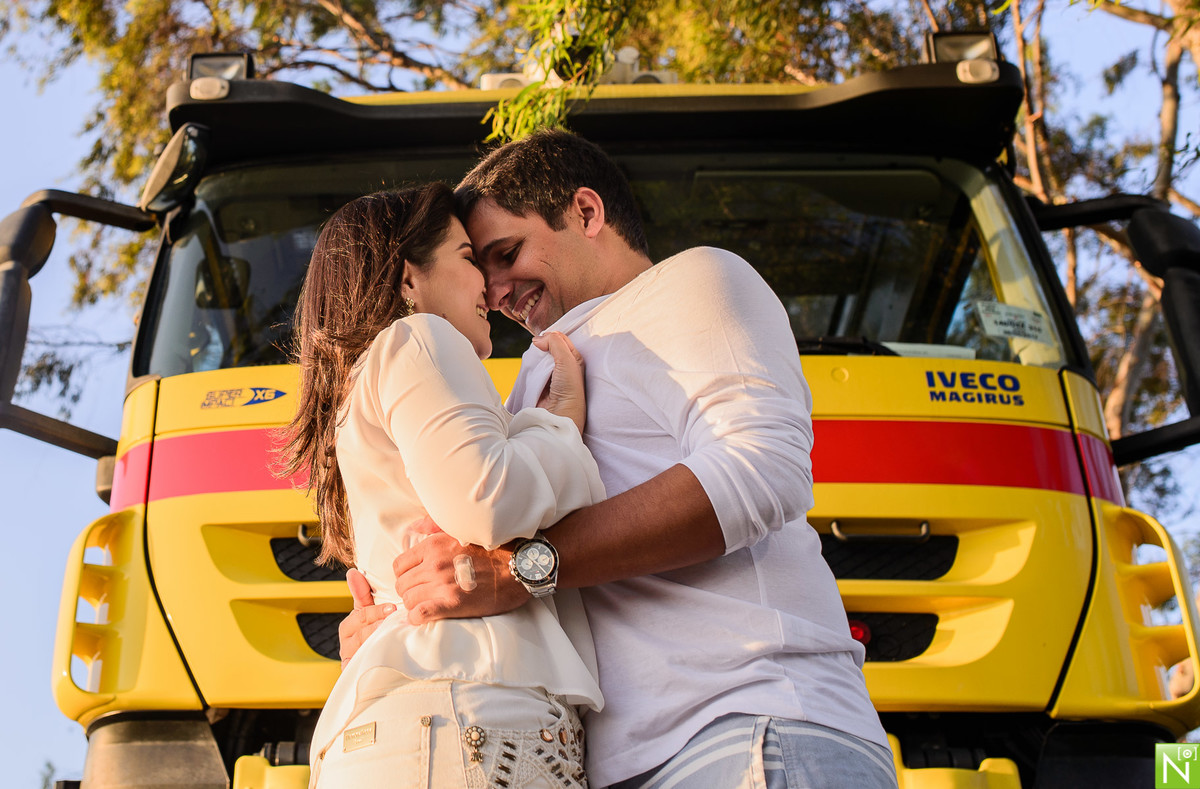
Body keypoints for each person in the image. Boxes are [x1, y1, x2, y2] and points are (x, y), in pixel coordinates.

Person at [341, 130, 897, 788]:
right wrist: (399, 620)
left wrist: (522, 568)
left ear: (586, 212)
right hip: (602, 762)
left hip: (746, 728)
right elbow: (467, 558)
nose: (490, 289)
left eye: (505, 252)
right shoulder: (533, 378)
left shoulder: (693, 281)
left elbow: (762, 467)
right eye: (476, 265)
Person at [278, 183, 609, 788]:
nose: (487, 281)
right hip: (465, 720)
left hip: (423, 729)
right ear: (409, 280)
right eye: (466, 256)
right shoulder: (419, 339)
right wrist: (560, 425)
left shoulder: (360, 392)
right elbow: (489, 499)